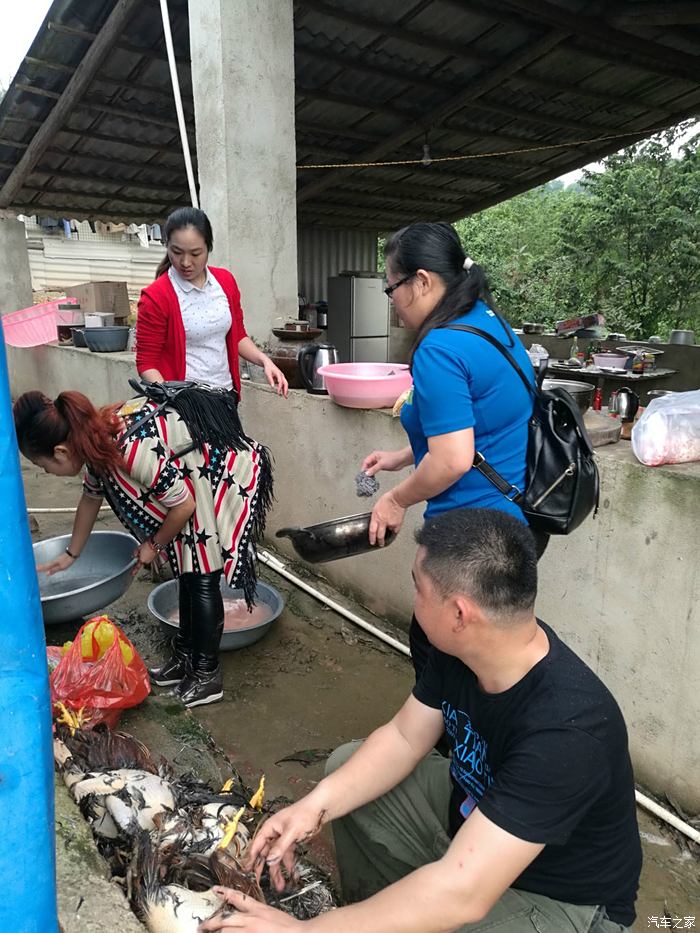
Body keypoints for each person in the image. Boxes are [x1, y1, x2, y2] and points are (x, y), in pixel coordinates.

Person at [200, 508, 642, 933]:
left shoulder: (569, 731)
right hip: (471, 818)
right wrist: (312, 807)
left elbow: (462, 894)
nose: (413, 598)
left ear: (459, 614)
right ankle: (372, 912)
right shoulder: (470, 648)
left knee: (445, 904)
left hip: (559, 899)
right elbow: (403, 737)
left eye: (418, 587)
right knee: (345, 771)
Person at [14, 385, 273, 708]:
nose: (46, 473)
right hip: (185, 486)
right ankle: (185, 658)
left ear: (61, 451)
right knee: (186, 576)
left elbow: (184, 506)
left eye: (42, 467)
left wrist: (153, 544)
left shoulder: (130, 451)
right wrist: (70, 555)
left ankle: (207, 675)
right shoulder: (94, 444)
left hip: (206, 483)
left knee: (201, 578)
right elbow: (90, 498)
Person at [361, 221, 540, 680]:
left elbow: (455, 459)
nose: (393, 302)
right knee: (488, 672)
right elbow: (475, 425)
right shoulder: (488, 323)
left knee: (442, 675)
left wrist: (395, 498)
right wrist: (403, 456)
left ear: (421, 281)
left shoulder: (440, 348)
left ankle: (447, 750)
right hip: (512, 528)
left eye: (392, 287)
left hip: (466, 544)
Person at [136, 206, 288, 397]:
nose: (185, 262)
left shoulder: (225, 282)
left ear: (209, 248)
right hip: (184, 404)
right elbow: (146, 363)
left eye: (195, 253)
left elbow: (238, 335)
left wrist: (265, 361)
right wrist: (174, 397)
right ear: (167, 247)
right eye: (176, 252)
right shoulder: (156, 296)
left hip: (225, 395)